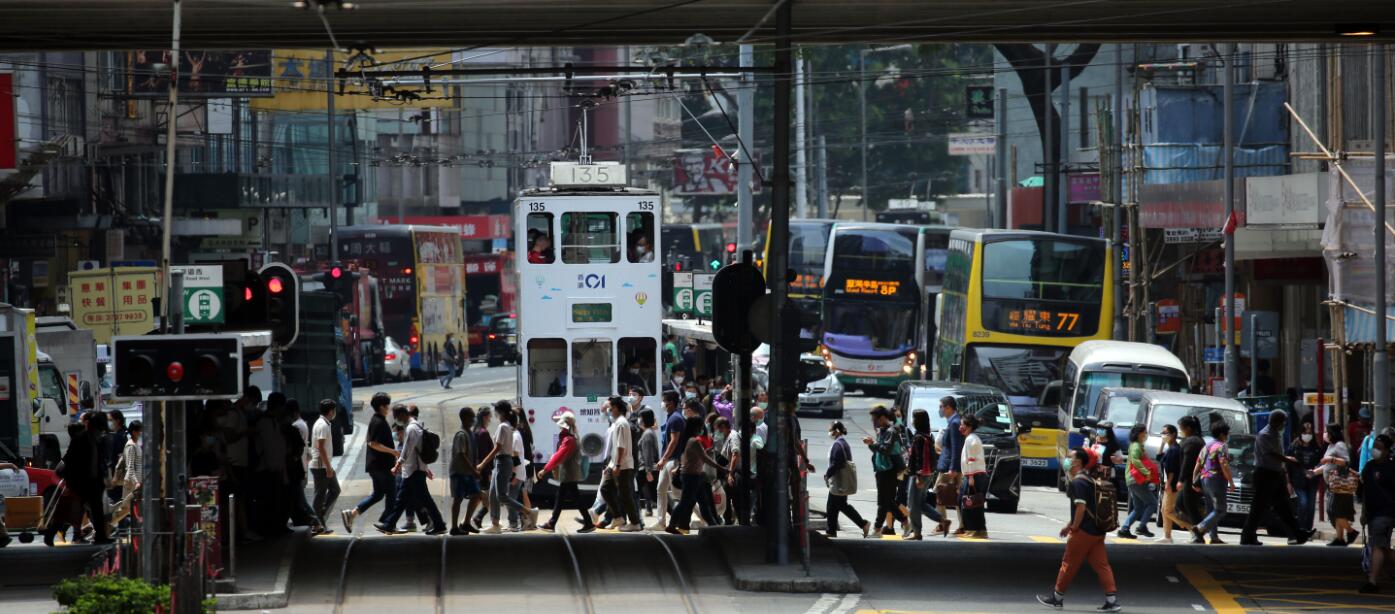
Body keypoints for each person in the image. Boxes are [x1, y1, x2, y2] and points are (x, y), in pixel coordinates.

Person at [1037, 447, 1121, 613]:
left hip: (1084, 532)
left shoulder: (1078, 482)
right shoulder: (1089, 479)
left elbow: (1081, 508)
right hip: (1097, 531)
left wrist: (1074, 528)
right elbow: (1085, 508)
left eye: (1069, 457)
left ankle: (1057, 598)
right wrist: (1069, 525)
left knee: (1068, 564)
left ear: (1077, 462)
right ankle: (1112, 601)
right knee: (1102, 565)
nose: (1067, 460)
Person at [1242, 410, 1311, 546]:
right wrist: (1288, 460)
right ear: (1275, 421)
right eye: (1282, 422)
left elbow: (1278, 455)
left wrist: (1284, 470)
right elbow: (1271, 454)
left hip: (1275, 474)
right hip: (1264, 475)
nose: (1283, 425)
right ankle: (1247, 536)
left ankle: (1297, 533)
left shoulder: (1276, 434)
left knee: (1284, 507)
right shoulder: (1265, 435)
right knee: (1258, 508)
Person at [376, 405, 447, 535]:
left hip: (414, 471)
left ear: (402, 414)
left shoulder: (412, 428)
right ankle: (389, 524)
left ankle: (439, 524)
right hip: (412, 470)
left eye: (396, 417)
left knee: (423, 500)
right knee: (402, 499)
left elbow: (407, 450)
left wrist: (397, 465)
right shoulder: (414, 426)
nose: (396, 419)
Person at [342, 392, 399, 533]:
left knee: (378, 494)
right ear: (381, 407)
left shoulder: (376, 420)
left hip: (375, 465)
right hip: (382, 465)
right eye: (387, 405)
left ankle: (352, 514)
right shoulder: (379, 422)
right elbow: (373, 443)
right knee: (392, 494)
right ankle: (388, 523)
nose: (388, 408)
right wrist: (393, 452)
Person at [476, 401, 532, 533]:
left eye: (496, 410)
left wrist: (483, 463)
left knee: (501, 495)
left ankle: (528, 512)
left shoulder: (503, 426)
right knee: (493, 495)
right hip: (501, 462)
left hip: (502, 461)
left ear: (500, 412)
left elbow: (498, 448)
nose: (494, 413)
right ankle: (495, 524)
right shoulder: (508, 426)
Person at [538, 411, 594, 533]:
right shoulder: (570, 437)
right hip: (569, 473)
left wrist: (545, 469)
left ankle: (553, 523)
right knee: (565, 497)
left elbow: (559, 456)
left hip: (568, 473)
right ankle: (553, 523)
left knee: (566, 498)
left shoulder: (568, 439)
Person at [666, 416, 722, 534]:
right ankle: (671, 525)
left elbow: (698, 456)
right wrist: (720, 467)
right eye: (701, 426)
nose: (703, 428)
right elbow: (705, 458)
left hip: (696, 476)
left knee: (703, 503)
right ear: (697, 427)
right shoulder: (694, 440)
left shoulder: (690, 440)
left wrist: (706, 452)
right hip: (691, 476)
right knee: (685, 502)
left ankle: (714, 525)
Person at [599, 397, 642, 531]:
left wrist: (617, 465)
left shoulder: (621, 423)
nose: (609, 410)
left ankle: (635, 523)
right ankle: (618, 517)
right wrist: (611, 465)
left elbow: (620, 446)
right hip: (616, 464)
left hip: (622, 466)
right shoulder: (618, 422)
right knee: (605, 489)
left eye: (611, 407)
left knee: (625, 495)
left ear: (617, 408)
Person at [1360, 434, 1395, 593]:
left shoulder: (1391, 468)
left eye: (1380, 448)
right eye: (1375, 446)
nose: (1376, 450)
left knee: (1377, 545)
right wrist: (1363, 513)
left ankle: (1372, 581)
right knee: (1382, 547)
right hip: (1372, 514)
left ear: (1387, 451)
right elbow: (1365, 491)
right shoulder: (1368, 467)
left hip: (1385, 514)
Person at [865, 406, 908, 536]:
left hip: (889, 470)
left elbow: (885, 450)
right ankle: (905, 522)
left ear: (882, 418)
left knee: (884, 501)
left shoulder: (891, 431)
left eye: (875, 419)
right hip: (881, 469)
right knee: (886, 501)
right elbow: (879, 451)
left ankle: (878, 529)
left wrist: (873, 443)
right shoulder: (883, 430)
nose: (873, 422)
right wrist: (871, 444)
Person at [823, 421, 870, 538]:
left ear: (836, 431)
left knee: (835, 505)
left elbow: (835, 463)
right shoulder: (843, 443)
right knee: (837, 505)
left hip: (839, 480)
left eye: (831, 430)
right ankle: (831, 530)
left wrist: (827, 475)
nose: (829, 432)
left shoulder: (838, 445)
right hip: (842, 480)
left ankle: (863, 523)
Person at [1192, 421, 1234, 545]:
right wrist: (1231, 482)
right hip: (1216, 479)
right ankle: (1200, 528)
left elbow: (1198, 464)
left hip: (1204, 479)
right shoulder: (1222, 446)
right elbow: (1224, 464)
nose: (1228, 435)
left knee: (1211, 510)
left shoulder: (1207, 446)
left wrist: (1194, 481)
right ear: (1222, 434)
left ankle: (1213, 536)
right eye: (1227, 433)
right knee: (1221, 509)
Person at [649, 391, 685, 531]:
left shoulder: (676, 418)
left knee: (680, 494)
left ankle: (703, 518)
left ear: (671, 402)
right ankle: (661, 521)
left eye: (664, 401)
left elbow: (674, 441)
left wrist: (663, 459)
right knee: (661, 490)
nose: (662, 403)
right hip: (668, 460)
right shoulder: (671, 417)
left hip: (673, 461)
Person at [907, 409, 946, 540]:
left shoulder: (919, 437)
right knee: (921, 503)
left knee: (913, 504)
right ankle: (942, 520)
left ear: (917, 421)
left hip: (919, 475)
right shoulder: (928, 436)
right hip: (928, 474)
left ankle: (917, 532)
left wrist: (918, 476)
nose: (912, 421)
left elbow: (919, 458)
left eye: (913, 418)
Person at [1321, 423, 1359, 546]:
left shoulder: (1339, 445)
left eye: (1327, 432)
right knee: (1337, 512)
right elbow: (1327, 466)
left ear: (1332, 433)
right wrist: (1314, 472)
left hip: (1340, 484)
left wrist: (1330, 459)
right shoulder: (1331, 446)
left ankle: (1351, 531)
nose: (1325, 434)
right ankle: (1340, 538)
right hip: (1332, 485)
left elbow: (1345, 461)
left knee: (1333, 511)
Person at [1118, 425, 1158, 540]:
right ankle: (1142, 526)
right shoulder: (1136, 446)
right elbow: (1135, 460)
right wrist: (1146, 472)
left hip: (1133, 480)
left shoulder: (1138, 445)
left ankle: (1124, 529)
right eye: (1144, 432)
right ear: (1139, 433)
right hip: (1136, 479)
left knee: (1138, 507)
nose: (1146, 435)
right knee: (1153, 503)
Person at [449, 407, 484, 535]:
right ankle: (453, 527)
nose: (473, 420)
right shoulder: (461, 434)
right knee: (457, 499)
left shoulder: (470, 433)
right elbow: (461, 454)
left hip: (468, 473)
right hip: (459, 472)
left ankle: (466, 523)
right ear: (464, 418)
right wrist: (473, 471)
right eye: (471, 417)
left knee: (477, 495)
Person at [308, 399, 340, 535]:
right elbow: (320, 447)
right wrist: (328, 467)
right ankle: (316, 522)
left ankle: (319, 517)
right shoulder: (322, 425)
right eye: (334, 410)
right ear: (331, 411)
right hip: (320, 466)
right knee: (319, 495)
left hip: (324, 465)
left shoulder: (325, 423)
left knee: (335, 490)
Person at [1157, 424, 1191, 543]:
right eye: (1162, 433)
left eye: (1166, 433)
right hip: (1168, 483)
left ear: (1173, 435)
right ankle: (1167, 536)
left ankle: (1193, 529)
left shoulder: (1174, 449)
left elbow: (1172, 469)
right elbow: (1158, 457)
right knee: (1163, 510)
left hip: (1172, 483)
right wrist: (1162, 443)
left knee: (1168, 511)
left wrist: (1169, 483)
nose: (1164, 435)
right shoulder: (1169, 448)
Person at [936, 396, 966, 534]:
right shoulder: (954, 421)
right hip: (951, 465)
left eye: (941, 407)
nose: (940, 410)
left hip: (950, 466)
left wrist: (953, 468)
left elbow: (956, 447)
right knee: (957, 495)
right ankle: (961, 525)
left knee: (939, 491)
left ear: (948, 407)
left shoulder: (954, 423)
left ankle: (942, 523)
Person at [1288, 420, 1323, 534]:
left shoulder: (1316, 447)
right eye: (1305, 432)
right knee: (1303, 503)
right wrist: (1288, 481)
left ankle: (1308, 528)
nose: (1307, 435)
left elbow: (1321, 462)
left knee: (1311, 506)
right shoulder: (1294, 446)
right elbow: (1288, 464)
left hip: (1312, 481)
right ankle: (1300, 528)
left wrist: (1314, 471)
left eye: (1309, 433)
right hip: (1298, 481)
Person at [1175, 416, 1206, 542]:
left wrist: (1181, 480)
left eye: (1181, 428)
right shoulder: (1192, 440)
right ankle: (1199, 528)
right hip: (1191, 479)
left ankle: (1200, 531)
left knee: (1189, 505)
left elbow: (1187, 463)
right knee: (1181, 504)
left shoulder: (1193, 442)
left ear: (1188, 428)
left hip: (1192, 480)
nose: (1180, 431)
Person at [959, 414, 989, 539]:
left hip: (974, 476)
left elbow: (971, 460)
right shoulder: (973, 438)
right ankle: (980, 530)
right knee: (977, 504)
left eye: (962, 425)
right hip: (976, 475)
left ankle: (973, 529)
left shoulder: (970, 439)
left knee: (969, 503)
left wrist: (970, 477)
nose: (960, 427)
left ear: (969, 426)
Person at [109, 420, 143, 530]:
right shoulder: (131, 446)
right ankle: (106, 525)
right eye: (139, 431)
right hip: (131, 482)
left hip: (135, 481)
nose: (141, 433)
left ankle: (107, 525)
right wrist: (136, 482)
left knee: (126, 508)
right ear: (133, 432)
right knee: (125, 509)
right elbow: (130, 467)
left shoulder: (134, 444)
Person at [470, 407, 495, 530]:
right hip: (483, 470)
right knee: (487, 496)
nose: (490, 419)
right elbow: (486, 454)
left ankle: (478, 517)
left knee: (481, 496)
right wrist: (489, 471)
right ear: (485, 417)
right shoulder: (483, 433)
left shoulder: (475, 431)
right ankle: (478, 517)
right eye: (489, 417)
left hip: (476, 468)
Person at [638, 410, 661, 517]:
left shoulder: (647, 434)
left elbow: (648, 454)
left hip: (646, 468)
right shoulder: (649, 432)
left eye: (640, 418)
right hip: (648, 468)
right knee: (654, 494)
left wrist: (648, 471)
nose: (639, 420)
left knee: (655, 495)